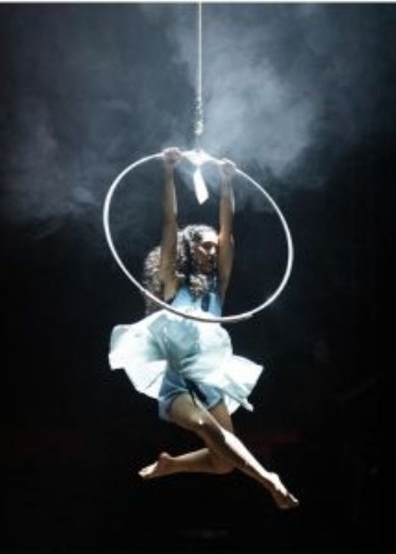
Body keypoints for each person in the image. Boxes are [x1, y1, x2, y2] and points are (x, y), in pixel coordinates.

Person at [108, 146, 299, 510]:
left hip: (209, 379)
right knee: (206, 427)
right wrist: (168, 172)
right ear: (190, 247)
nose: (212, 252)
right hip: (177, 382)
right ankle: (269, 479)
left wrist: (226, 184)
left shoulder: (216, 289)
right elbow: (169, 223)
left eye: (215, 248)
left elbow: (228, 235)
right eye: (206, 247)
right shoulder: (172, 284)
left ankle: (172, 465)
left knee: (223, 463)